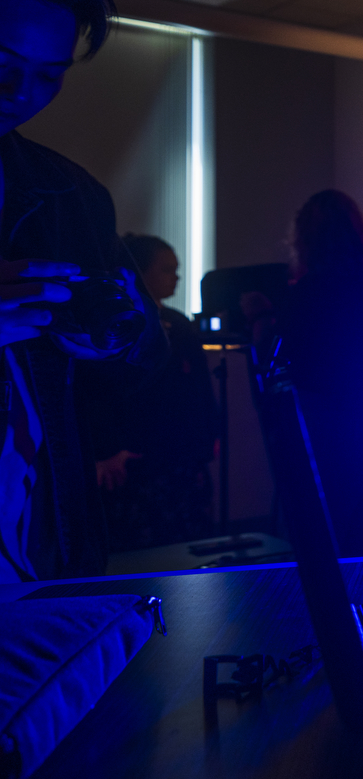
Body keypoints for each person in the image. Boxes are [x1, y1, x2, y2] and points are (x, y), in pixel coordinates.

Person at [0, 0, 166, 581]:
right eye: (3, 65)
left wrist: (121, 332)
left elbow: (141, 359)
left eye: (49, 77)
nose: (20, 97)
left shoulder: (71, 194)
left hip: (40, 548)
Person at [271, 189, 363, 557]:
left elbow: (290, 371)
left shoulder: (298, 298)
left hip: (323, 429)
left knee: (322, 547)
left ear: (305, 240)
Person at [92, 234, 218, 549]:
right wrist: (109, 447)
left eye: (176, 270)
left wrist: (208, 435)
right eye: (166, 269)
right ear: (139, 271)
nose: (175, 277)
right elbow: (103, 391)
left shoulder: (180, 324)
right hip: (139, 458)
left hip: (180, 454)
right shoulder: (118, 323)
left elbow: (200, 387)